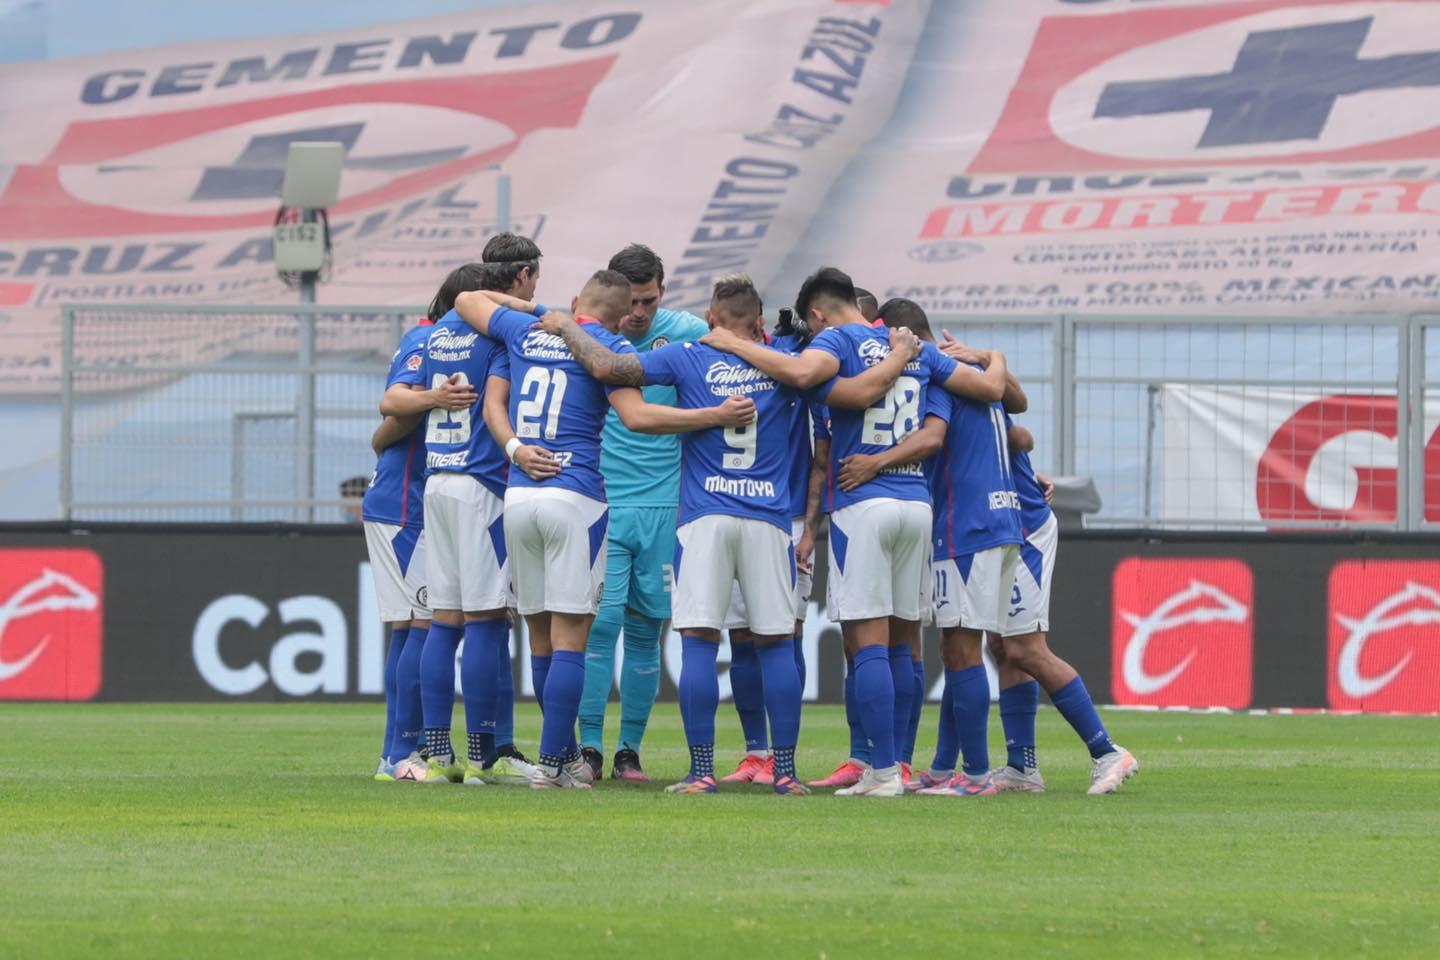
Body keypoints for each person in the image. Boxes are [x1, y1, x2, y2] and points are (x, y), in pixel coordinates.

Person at [701, 267, 1010, 797]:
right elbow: (989, 389)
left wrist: (732, 343)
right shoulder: (913, 346)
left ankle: (883, 771)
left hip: (862, 504)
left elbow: (801, 377)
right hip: (916, 504)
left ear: (818, 314)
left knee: (864, 642)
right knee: (903, 642)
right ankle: (899, 766)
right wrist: (992, 355)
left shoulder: (839, 341)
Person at [453, 273, 753, 789]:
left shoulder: (524, 331)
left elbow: (464, 297)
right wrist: (712, 415)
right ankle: (555, 763)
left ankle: (565, 754)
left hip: (520, 493)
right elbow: (637, 418)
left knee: (542, 639)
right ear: (617, 318)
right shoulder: (608, 346)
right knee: (574, 639)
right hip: (576, 498)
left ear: (575, 303)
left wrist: (539, 309)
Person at [846, 299, 1024, 797]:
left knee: (962, 650)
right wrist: (993, 356)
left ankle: (977, 776)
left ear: (907, 334)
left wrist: (874, 463)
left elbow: (934, 437)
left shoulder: (937, 373)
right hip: (1003, 519)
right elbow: (1019, 415)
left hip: (965, 525)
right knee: (958, 647)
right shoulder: (972, 372)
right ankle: (946, 768)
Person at [576, 245, 711, 782]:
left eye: (648, 301)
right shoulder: (588, 337)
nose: (637, 313)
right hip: (602, 501)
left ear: (663, 290)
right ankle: (587, 747)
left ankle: (629, 749)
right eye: (629, 302)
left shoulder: (689, 332)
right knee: (598, 625)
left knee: (646, 630)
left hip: (666, 503)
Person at [988, 420, 1139, 795]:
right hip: (996, 526)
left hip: (1022, 527)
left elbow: (1017, 433)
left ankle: (1106, 751)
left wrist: (1017, 464)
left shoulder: (966, 369)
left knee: (1025, 647)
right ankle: (1022, 766)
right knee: (1003, 648)